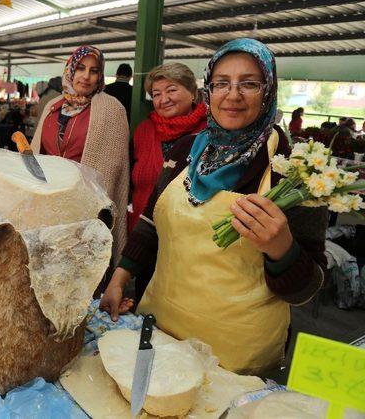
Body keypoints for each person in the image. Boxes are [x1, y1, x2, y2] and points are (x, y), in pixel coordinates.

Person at [100, 38, 327, 376]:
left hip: (235, 356)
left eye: (249, 83)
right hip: (161, 329)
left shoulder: (293, 169)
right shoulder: (186, 149)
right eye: (221, 83)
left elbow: (306, 289)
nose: (232, 95)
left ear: (268, 90)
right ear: (208, 90)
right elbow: (150, 222)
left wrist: (283, 250)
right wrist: (120, 277)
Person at [30, 45, 130, 264]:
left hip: (86, 214)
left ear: (100, 75)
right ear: (70, 70)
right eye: (81, 68)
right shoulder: (52, 106)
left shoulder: (112, 109)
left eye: (94, 71)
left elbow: (114, 170)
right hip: (47, 208)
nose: (86, 76)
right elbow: (36, 154)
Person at [129, 62, 207, 237]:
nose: (163, 99)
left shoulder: (209, 132)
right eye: (156, 94)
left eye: (171, 90)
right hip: (141, 235)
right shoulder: (144, 131)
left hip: (188, 237)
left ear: (193, 93)